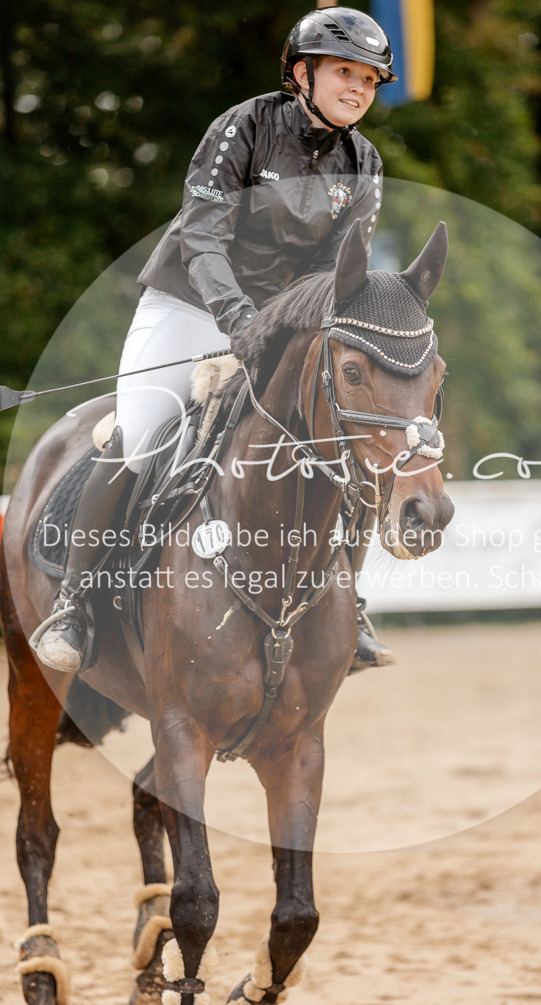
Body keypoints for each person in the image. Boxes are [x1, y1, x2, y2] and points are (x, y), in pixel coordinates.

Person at [34, 6, 398, 676]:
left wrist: (292, 333)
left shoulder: (364, 163)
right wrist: (238, 321)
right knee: (142, 435)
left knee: (340, 446)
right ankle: (75, 602)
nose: (357, 89)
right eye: (343, 72)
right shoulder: (245, 126)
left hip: (277, 323)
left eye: (369, 80)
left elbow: (333, 273)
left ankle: (350, 601)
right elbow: (202, 234)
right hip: (189, 302)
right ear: (300, 71)